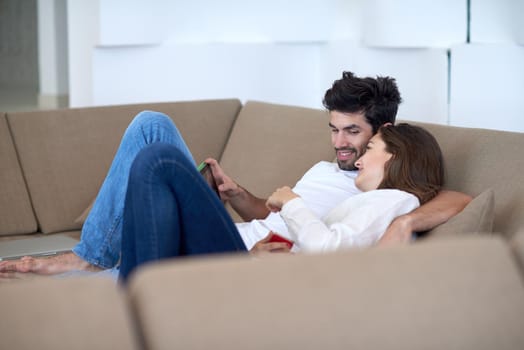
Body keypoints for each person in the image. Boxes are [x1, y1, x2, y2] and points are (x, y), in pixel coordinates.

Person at [0, 71, 471, 276]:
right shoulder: (329, 170)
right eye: (333, 129)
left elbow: (449, 196)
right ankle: (100, 256)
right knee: (152, 126)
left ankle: (93, 258)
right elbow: (272, 212)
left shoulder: (384, 187)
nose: (340, 144)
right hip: (238, 229)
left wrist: (408, 221)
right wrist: (232, 192)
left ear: (383, 133)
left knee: (154, 146)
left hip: (239, 253)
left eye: (352, 132)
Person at [119, 123, 444, 282]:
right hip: (248, 258)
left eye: (370, 148)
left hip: (246, 273)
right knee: (155, 162)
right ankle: (139, 303)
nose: (358, 159)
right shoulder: (377, 200)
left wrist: (291, 201)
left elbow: (328, 250)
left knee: (159, 158)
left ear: (396, 157)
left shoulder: (395, 201)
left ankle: (141, 300)